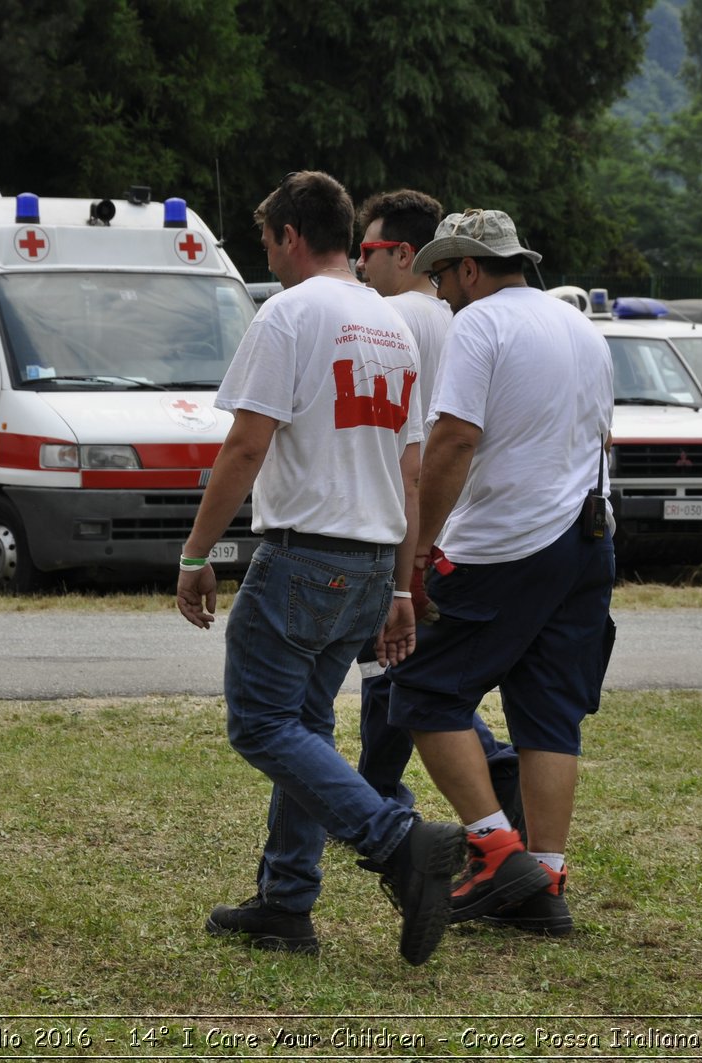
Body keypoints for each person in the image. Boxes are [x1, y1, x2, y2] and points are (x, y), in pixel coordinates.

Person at [176, 171, 466, 966]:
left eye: (268, 242)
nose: (268, 258)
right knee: (304, 727)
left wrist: (196, 553)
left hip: (306, 553)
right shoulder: (392, 326)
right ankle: (286, 901)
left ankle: (399, 841)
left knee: (262, 724)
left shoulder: (288, 315)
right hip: (373, 559)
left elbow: (245, 445)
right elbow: (409, 470)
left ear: (291, 237)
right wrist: (403, 583)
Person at [389, 208, 617, 939]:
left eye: (443, 273)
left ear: (468, 268)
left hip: (508, 539)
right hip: (587, 535)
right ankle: (544, 882)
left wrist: (419, 549)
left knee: (423, 688)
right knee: (549, 710)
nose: (441, 289)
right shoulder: (582, 328)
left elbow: (454, 438)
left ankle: (494, 849)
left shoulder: (479, 325)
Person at [352, 190, 524, 832]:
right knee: (397, 661)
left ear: (404, 253)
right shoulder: (461, 318)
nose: (359, 265)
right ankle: (380, 795)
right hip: (451, 512)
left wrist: (411, 544)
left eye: (367, 250)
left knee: (390, 661)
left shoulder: (392, 316)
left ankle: (385, 797)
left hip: (404, 512)